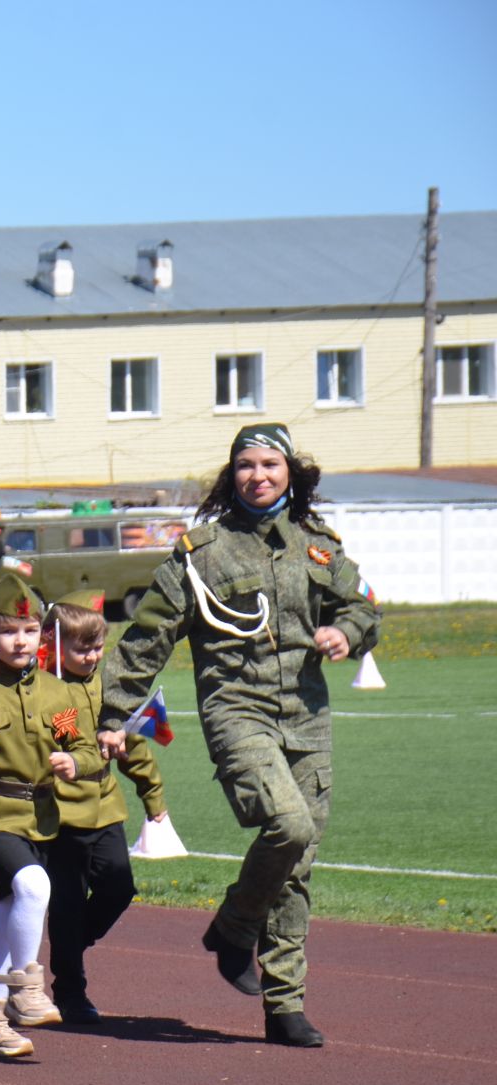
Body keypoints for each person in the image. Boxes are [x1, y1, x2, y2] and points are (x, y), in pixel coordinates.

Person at [99, 424, 379, 1048]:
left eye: (271, 465)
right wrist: (110, 716)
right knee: (291, 827)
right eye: (247, 466)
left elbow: (363, 606)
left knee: (298, 863)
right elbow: (146, 641)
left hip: (306, 716)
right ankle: (234, 926)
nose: (260, 476)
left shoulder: (318, 546)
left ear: (290, 472)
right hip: (237, 712)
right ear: (234, 476)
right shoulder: (202, 553)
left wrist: (347, 633)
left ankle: (284, 1005)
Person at [0, 574, 98, 1061]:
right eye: (9, 631)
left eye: (30, 631)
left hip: (42, 817)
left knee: (10, 920)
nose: (21, 641)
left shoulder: (58, 693)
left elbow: (82, 746)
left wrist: (73, 762)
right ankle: (26, 987)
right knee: (35, 888)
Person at [44, 590, 167, 1022]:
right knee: (68, 902)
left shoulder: (106, 687)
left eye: (99, 647)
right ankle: (70, 991)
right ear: (54, 644)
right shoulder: (43, 689)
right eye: (83, 648)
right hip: (60, 813)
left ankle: (72, 943)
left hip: (105, 805)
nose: (94, 656)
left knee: (118, 888)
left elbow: (131, 743)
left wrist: (153, 796)